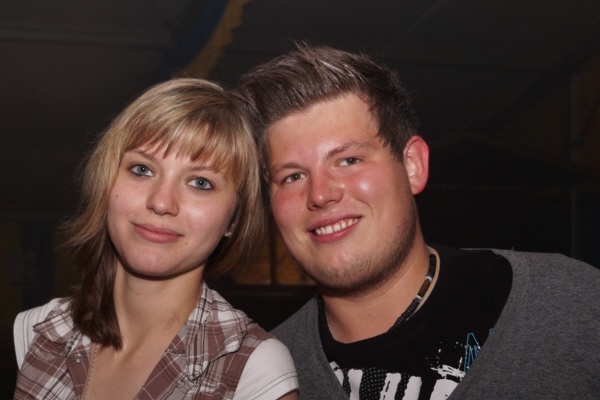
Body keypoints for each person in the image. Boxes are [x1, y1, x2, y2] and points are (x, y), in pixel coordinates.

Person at [237, 45, 600, 399]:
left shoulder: (570, 305)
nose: (320, 194)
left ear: (412, 166)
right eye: (292, 176)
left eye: (349, 160)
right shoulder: (262, 379)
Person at [13, 78, 298, 400]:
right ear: (107, 183)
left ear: (233, 219)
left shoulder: (254, 370)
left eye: (200, 183)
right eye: (142, 169)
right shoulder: (39, 332)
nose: (161, 202)